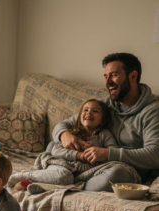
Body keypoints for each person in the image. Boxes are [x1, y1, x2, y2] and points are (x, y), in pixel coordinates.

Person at [53, 52, 159, 192]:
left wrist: (108, 153)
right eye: (105, 76)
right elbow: (63, 125)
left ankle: (67, 184)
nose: (107, 82)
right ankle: (64, 180)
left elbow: (155, 154)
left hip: (124, 170)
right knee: (52, 146)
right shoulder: (105, 104)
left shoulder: (152, 111)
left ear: (133, 76)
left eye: (113, 75)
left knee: (117, 174)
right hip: (91, 166)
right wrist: (64, 134)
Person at [8, 99, 119, 189]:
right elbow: (56, 150)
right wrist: (78, 155)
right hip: (61, 164)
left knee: (70, 181)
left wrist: (100, 154)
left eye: (95, 111)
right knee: (64, 177)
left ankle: (36, 185)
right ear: (79, 116)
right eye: (85, 110)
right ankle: (22, 176)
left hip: (82, 173)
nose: (89, 113)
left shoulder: (104, 135)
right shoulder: (74, 132)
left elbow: (113, 152)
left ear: (103, 119)